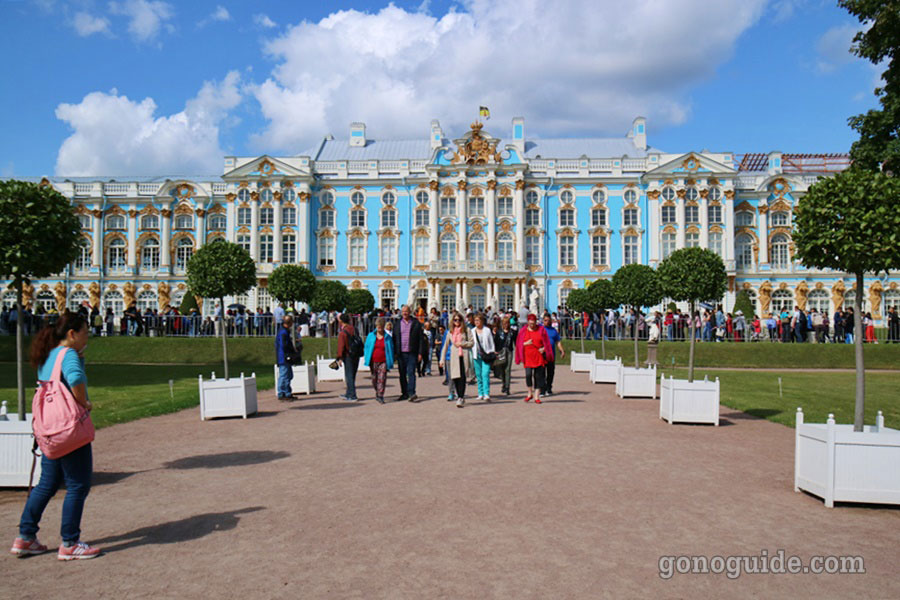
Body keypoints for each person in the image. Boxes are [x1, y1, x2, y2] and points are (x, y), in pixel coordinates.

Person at [10, 311, 101, 560]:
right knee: (78, 485)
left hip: (48, 430)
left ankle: (25, 537)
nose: (88, 338)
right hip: (69, 430)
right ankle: (70, 542)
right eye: (85, 333)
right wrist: (86, 404)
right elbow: (75, 383)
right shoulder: (69, 355)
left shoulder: (48, 355)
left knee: (47, 484)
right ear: (72, 334)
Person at [516, 314, 553, 404]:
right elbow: (518, 344)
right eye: (530, 323)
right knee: (528, 375)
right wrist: (526, 343)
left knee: (538, 376)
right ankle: (529, 393)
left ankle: (536, 395)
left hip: (538, 357)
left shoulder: (541, 330)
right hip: (528, 357)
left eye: (533, 323)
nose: (532, 325)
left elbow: (547, 343)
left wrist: (543, 349)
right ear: (528, 322)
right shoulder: (523, 331)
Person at [439, 312, 474, 407]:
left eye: (459, 320)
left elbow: (472, 343)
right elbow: (445, 347)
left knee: (462, 377)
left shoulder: (467, 330)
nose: (457, 322)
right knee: (455, 377)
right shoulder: (450, 332)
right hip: (453, 357)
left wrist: (462, 344)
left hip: (463, 356)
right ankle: (459, 395)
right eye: (455, 320)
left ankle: (460, 397)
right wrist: (441, 359)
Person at [393, 305, 426, 403]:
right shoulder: (397, 324)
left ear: (410, 312)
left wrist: (420, 353)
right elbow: (394, 338)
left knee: (411, 372)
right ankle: (404, 393)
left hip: (412, 352)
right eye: (403, 311)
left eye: (406, 311)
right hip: (400, 352)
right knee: (402, 374)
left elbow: (421, 340)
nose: (404, 313)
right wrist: (394, 352)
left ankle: (411, 393)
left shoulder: (416, 323)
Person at [363, 317, 394, 404]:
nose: (379, 328)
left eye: (380, 326)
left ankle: (380, 395)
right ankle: (377, 391)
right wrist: (366, 358)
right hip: (373, 361)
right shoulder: (371, 336)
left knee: (382, 378)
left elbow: (391, 348)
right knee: (374, 379)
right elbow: (367, 347)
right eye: (377, 326)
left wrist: (391, 360)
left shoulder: (387, 337)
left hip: (383, 360)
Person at [471, 313, 496, 402]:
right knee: (478, 375)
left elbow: (491, 342)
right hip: (476, 355)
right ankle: (480, 393)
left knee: (485, 374)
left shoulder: (487, 330)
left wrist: (492, 351)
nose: (476, 322)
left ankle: (486, 393)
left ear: (482, 321)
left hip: (486, 355)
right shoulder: (472, 331)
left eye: (478, 320)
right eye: (475, 320)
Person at [336, 313, 360, 402]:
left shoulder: (343, 332)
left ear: (341, 321)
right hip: (356, 354)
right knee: (352, 374)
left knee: (349, 375)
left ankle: (352, 395)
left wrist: (339, 357)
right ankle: (348, 393)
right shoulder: (354, 329)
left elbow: (341, 346)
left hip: (348, 355)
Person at [540, 313, 565, 396]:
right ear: (543, 321)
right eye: (545, 320)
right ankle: (542, 389)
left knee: (551, 372)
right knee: (542, 372)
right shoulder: (540, 329)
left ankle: (549, 387)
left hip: (551, 355)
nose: (547, 322)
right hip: (542, 354)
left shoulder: (553, 331)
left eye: (548, 320)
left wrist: (561, 350)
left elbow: (558, 342)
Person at [493, 316, 516, 395]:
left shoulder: (512, 332)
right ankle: (503, 383)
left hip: (509, 351)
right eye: (504, 323)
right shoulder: (499, 332)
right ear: (502, 324)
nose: (506, 325)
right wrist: (495, 351)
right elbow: (495, 342)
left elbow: (515, 343)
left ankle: (507, 387)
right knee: (501, 369)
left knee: (508, 369)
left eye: (507, 323)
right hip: (500, 351)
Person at [275, 315, 296, 400]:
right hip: (283, 356)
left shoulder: (284, 331)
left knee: (289, 375)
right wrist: (291, 351)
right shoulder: (283, 332)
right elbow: (284, 345)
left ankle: (287, 392)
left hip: (284, 356)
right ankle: (281, 393)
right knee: (284, 375)